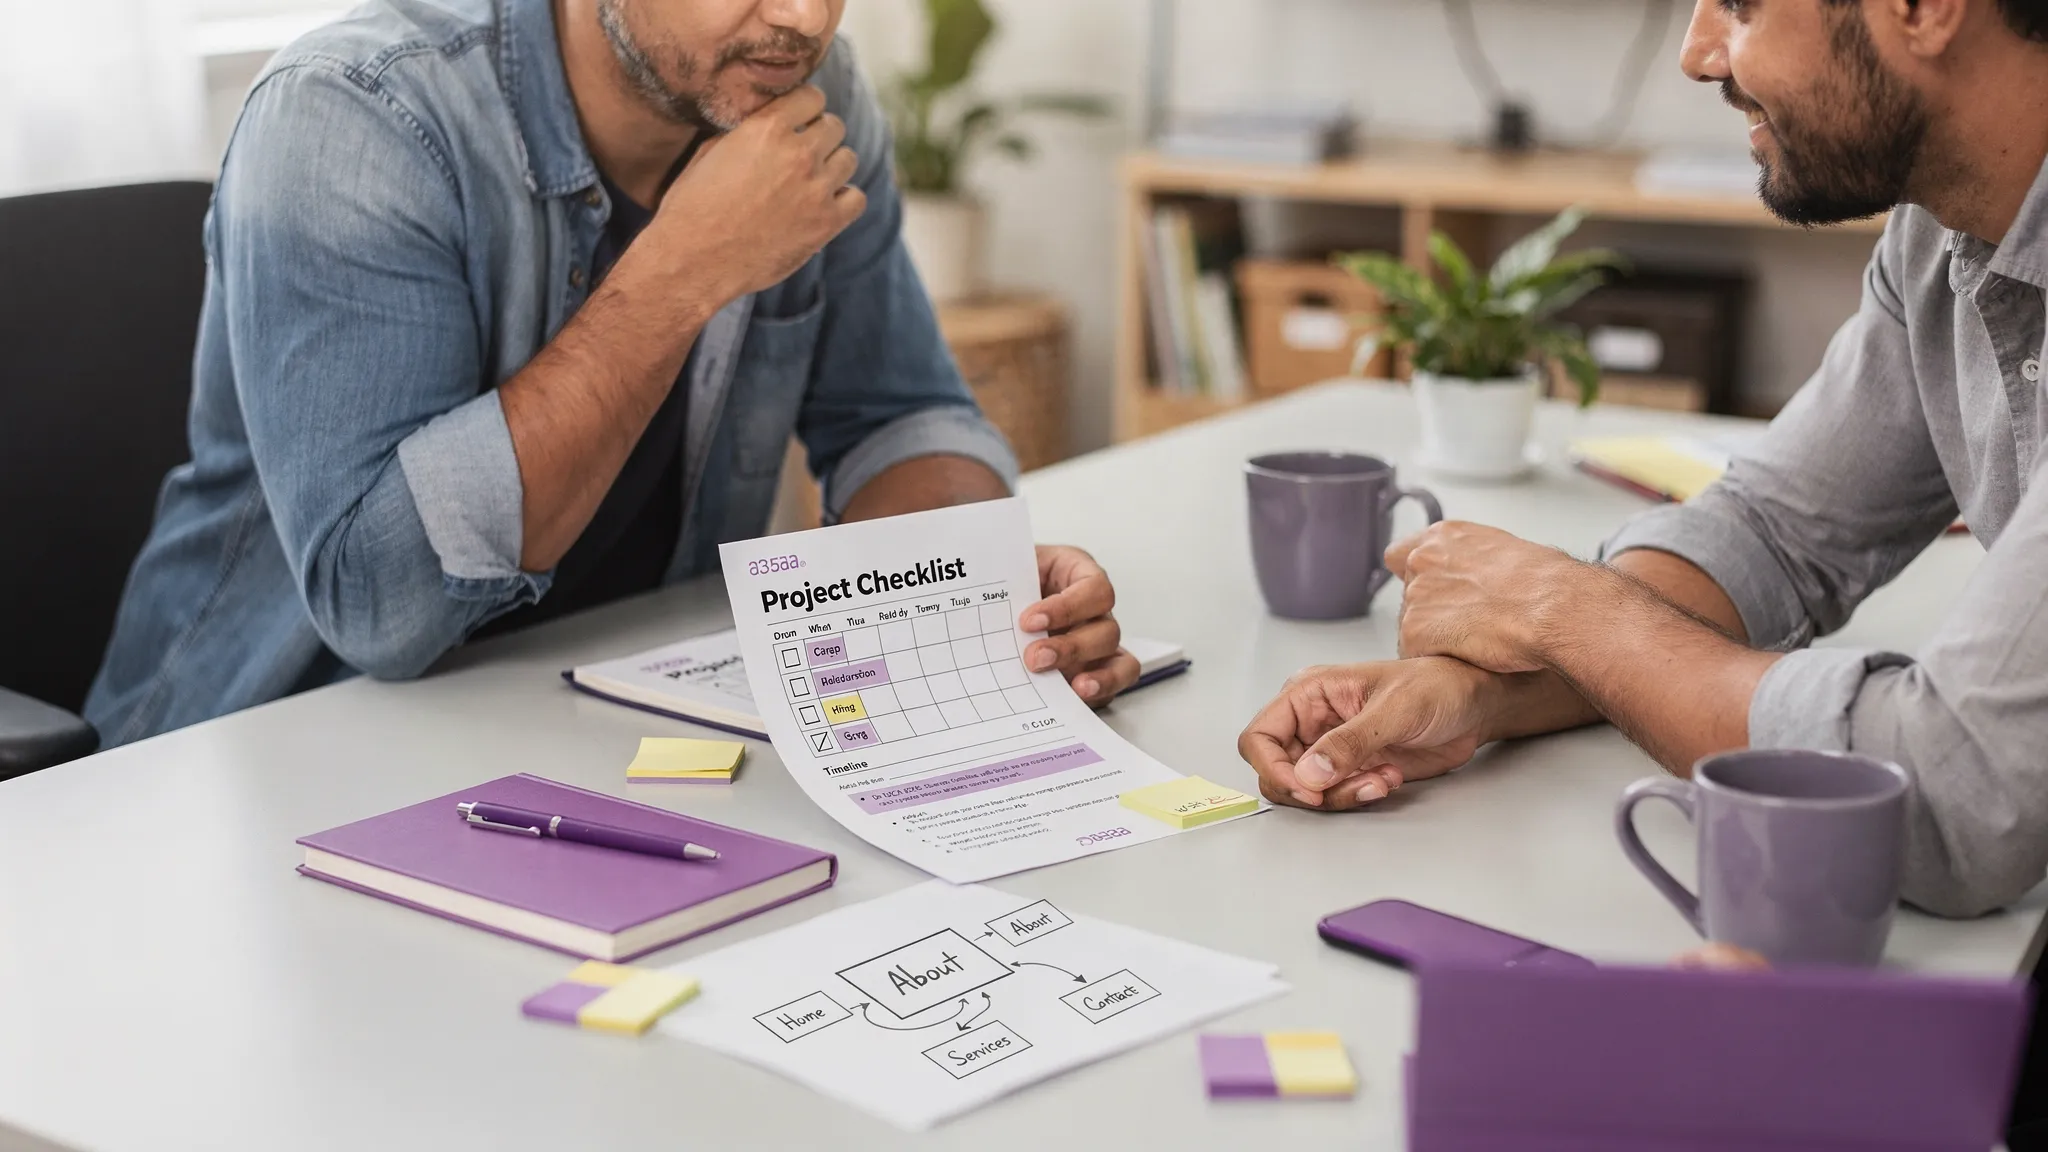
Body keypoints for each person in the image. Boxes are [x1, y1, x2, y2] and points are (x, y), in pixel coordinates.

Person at [85, 0, 1138, 747]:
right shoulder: (355, 117)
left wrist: (974, 586)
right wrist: (683, 272)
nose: (806, 19)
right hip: (257, 759)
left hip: (606, 733)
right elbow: (380, 607)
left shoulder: (802, 91)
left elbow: (897, 415)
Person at [1239, 0, 2048, 921]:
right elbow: (1777, 533)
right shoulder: (1938, 232)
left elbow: (1957, 797)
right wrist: (1487, 691)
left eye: (1741, 7)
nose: (1699, 54)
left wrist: (1566, 612)